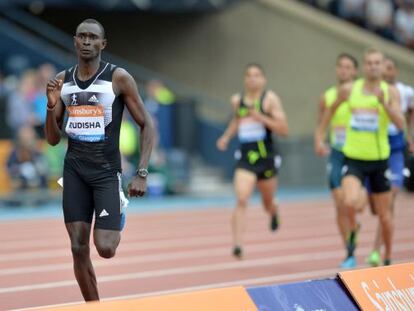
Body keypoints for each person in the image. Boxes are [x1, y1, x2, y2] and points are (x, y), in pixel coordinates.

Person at [44, 19, 155, 301]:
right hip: (75, 171)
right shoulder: (62, 80)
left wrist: (141, 172)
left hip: (106, 172)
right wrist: (51, 105)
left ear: (102, 44)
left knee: (105, 248)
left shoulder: (118, 78)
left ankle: (118, 209)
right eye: (81, 36)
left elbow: (147, 124)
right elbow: (53, 139)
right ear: (74, 41)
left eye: (92, 37)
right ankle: (94, 306)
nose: (86, 41)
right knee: (78, 247)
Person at [318, 48, 405, 268]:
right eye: (369, 63)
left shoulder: (390, 92)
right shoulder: (349, 89)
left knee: (384, 215)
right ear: (364, 67)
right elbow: (330, 110)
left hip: (378, 161)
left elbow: (401, 124)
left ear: (383, 66)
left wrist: (384, 105)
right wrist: (320, 135)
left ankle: (387, 256)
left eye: (377, 63)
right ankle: (352, 242)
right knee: (347, 201)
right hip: (354, 158)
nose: (373, 66)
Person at [216, 63, 288, 259]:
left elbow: (283, 129)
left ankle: (274, 211)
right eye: (249, 75)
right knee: (241, 198)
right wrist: (225, 137)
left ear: (263, 79)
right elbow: (236, 121)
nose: (252, 79)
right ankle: (237, 245)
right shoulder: (237, 100)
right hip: (246, 157)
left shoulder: (270, 99)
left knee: (267, 202)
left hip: (267, 157)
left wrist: (261, 118)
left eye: (256, 75)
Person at [366, 57, 414, 266]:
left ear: (395, 70)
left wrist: (410, 135)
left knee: (390, 200)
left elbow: (410, 112)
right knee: (376, 207)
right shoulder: (370, 90)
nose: (386, 70)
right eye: (382, 67)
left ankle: (380, 251)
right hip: (374, 149)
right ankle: (383, 249)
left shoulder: (405, 91)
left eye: (390, 67)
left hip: (395, 149)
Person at [314, 53, 358, 253]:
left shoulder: (362, 94)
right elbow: (320, 123)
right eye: (340, 66)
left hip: (360, 154)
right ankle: (349, 248)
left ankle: (354, 222)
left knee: (356, 203)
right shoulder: (327, 95)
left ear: (355, 71)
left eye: (348, 67)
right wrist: (319, 140)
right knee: (339, 202)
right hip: (337, 152)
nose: (343, 70)